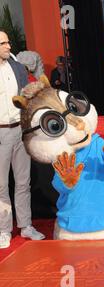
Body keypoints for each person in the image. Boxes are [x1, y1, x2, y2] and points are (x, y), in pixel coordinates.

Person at [0, 30, 45, 249]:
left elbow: (28, 94)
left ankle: (26, 225)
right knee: (1, 186)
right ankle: (4, 230)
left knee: (23, 182)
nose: (9, 46)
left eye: (8, 42)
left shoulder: (17, 67)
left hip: (20, 131)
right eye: (3, 43)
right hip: (0, 134)